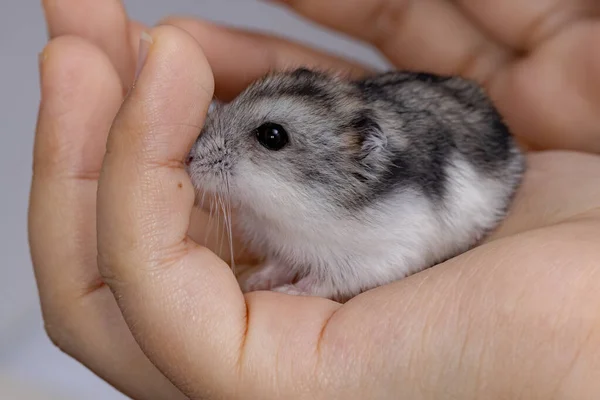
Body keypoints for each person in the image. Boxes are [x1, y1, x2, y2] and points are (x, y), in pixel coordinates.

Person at [29, 0, 600, 398]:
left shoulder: (382, 208)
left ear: (357, 162)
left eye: (270, 138)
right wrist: (285, 262)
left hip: (484, 155)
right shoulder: (295, 207)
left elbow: (390, 254)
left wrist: (317, 283)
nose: (206, 148)